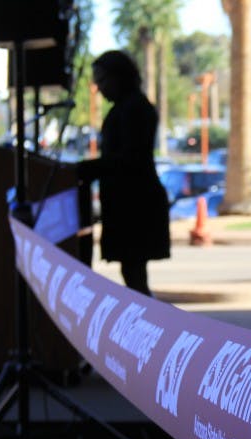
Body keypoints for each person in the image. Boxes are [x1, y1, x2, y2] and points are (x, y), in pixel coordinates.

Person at [78, 50, 170, 296]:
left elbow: (130, 158)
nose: (99, 87)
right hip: (129, 203)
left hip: (135, 203)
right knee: (132, 273)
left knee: (134, 274)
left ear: (119, 77)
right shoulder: (127, 107)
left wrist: (88, 168)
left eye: (102, 80)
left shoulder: (134, 108)